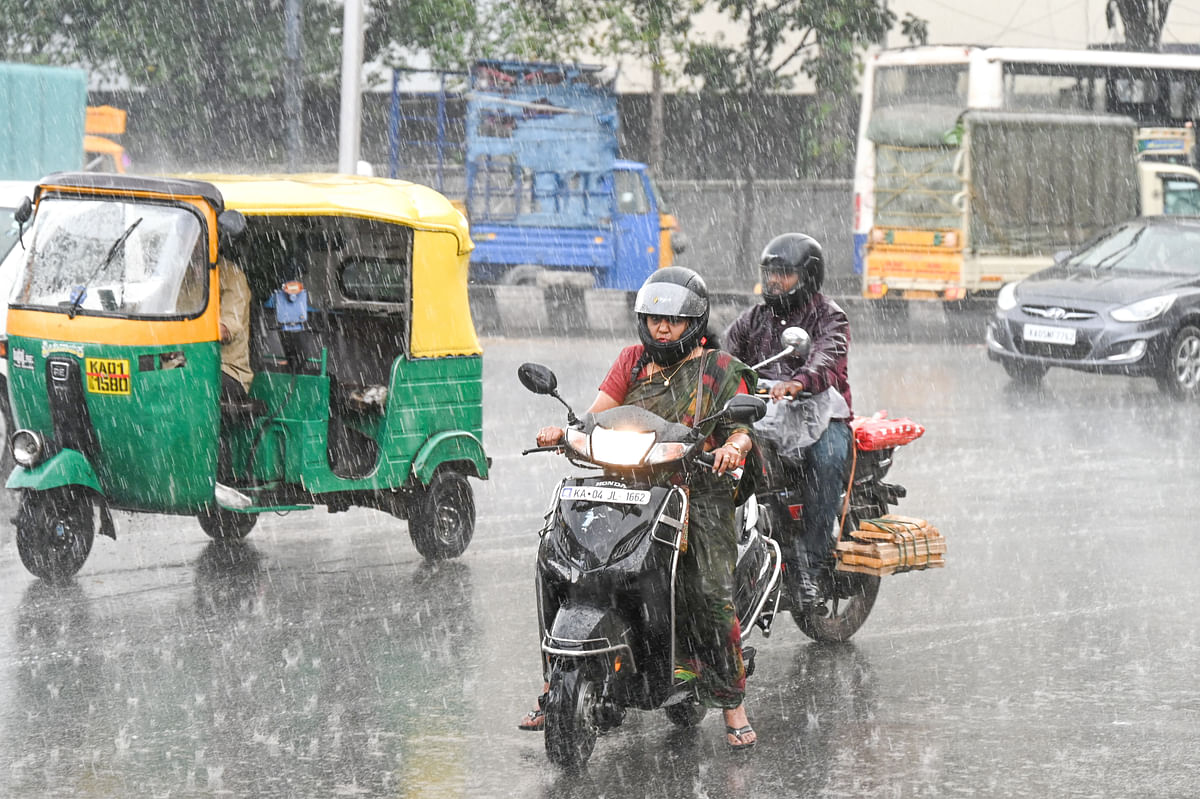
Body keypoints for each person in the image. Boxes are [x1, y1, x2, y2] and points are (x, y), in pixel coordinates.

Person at [517, 266, 760, 750]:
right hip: (628, 485)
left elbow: (742, 424)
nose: (661, 329)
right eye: (653, 320)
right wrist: (566, 433)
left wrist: (734, 444)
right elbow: (598, 413)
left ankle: (733, 704)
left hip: (697, 489)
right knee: (561, 566)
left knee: (708, 593)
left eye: (672, 321)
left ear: (694, 322)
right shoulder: (631, 361)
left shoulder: (718, 368)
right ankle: (556, 683)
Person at [725, 233, 852, 613]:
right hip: (765, 415)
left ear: (807, 277)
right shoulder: (753, 319)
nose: (774, 281)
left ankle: (810, 566)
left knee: (827, 461)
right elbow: (724, 357)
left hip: (819, 414)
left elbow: (829, 357)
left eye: (784, 273)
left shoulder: (829, 316)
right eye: (769, 272)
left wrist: (798, 382)